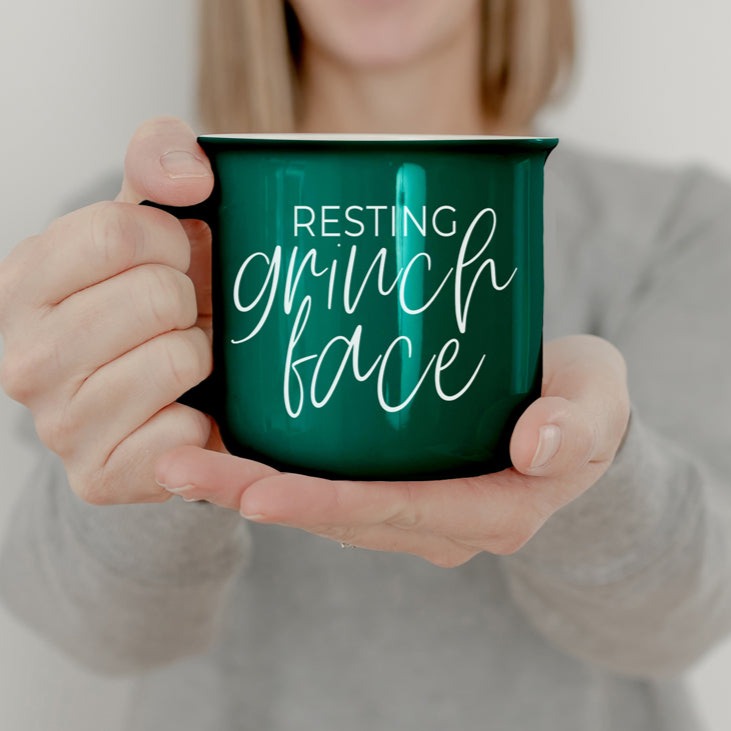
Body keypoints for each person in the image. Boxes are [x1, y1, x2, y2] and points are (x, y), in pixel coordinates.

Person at [0, 0, 730, 729]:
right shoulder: (133, 245)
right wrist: (157, 451)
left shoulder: (672, 228)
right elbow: (92, 629)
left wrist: (595, 474)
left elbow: (689, 612)